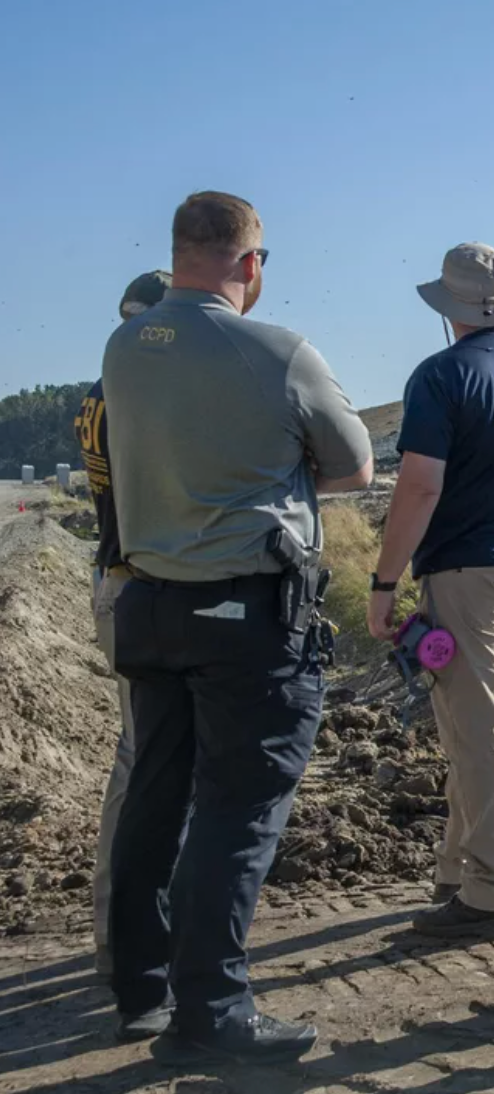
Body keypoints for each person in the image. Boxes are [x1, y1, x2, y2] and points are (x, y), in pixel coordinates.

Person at [102, 191, 373, 1063]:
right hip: (244, 614)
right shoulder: (279, 351)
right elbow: (356, 466)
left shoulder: (123, 347)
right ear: (251, 264)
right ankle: (211, 1014)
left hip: (150, 607)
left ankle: (141, 988)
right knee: (237, 809)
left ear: (178, 252)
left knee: (155, 793)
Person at [367, 242, 494, 940]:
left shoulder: (440, 377)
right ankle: (459, 873)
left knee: (476, 732)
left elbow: (421, 486)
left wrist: (384, 583)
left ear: (448, 308)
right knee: (478, 728)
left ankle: (489, 891)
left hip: (466, 576)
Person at [76, 269, 170, 981]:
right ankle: (127, 936)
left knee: (141, 758)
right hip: (145, 587)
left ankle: (124, 930)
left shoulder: (99, 397)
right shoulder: (141, 397)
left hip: (117, 580)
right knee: (146, 763)